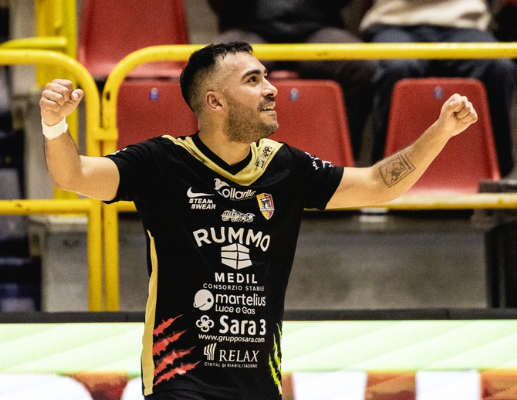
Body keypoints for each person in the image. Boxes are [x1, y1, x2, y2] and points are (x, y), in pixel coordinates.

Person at [40, 42, 477, 400]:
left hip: (258, 384)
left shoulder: (285, 166)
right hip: (181, 380)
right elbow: (73, 175)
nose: (271, 89)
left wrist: (440, 131)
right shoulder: (162, 161)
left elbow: (379, 184)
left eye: (266, 77)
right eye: (253, 81)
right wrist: (55, 125)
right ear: (215, 101)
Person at [208, 0, 377, 162]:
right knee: (218, 66)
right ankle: (227, 160)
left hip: (317, 28)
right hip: (246, 27)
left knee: (362, 68)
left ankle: (342, 160)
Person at [360, 0, 516, 176]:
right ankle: (383, 175)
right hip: (393, 21)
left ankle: (498, 176)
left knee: (499, 68)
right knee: (396, 68)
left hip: (464, 24)